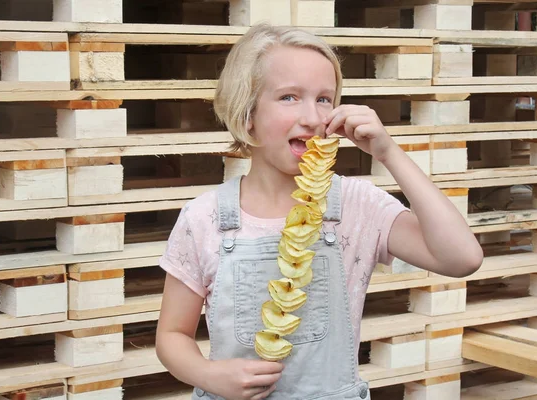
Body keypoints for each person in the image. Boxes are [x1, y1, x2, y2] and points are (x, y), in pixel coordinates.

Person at [155, 22, 483, 400]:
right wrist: (208, 375)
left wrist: (388, 153)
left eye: (324, 99)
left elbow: (463, 257)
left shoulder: (358, 207)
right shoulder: (204, 218)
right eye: (290, 97)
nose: (312, 118)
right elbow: (172, 335)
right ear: (247, 115)